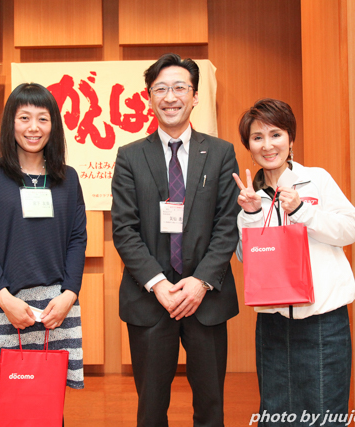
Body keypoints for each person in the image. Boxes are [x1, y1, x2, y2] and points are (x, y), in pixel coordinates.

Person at [111, 53, 240, 427]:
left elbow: (227, 225)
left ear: (195, 96)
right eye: (161, 89)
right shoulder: (130, 157)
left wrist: (200, 283)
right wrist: (158, 284)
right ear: (148, 97)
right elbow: (124, 229)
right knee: (151, 409)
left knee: (211, 407)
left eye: (180, 87)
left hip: (206, 299)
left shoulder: (220, 153)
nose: (170, 97)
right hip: (150, 301)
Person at [233, 99, 355, 426]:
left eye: (276, 134)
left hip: (324, 320)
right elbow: (247, 259)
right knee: (275, 414)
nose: (267, 145)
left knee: (326, 414)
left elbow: (350, 229)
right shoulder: (249, 195)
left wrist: (304, 210)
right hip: (273, 324)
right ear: (249, 146)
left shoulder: (316, 179)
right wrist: (251, 215)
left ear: (291, 139)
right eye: (257, 137)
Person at [0, 83, 86, 410]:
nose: (34, 127)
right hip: (4, 303)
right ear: (10, 123)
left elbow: (77, 240)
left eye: (43, 118)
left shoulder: (68, 178)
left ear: (53, 125)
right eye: (24, 118)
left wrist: (69, 295)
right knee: (11, 407)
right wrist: (5, 300)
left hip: (57, 307)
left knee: (49, 407)